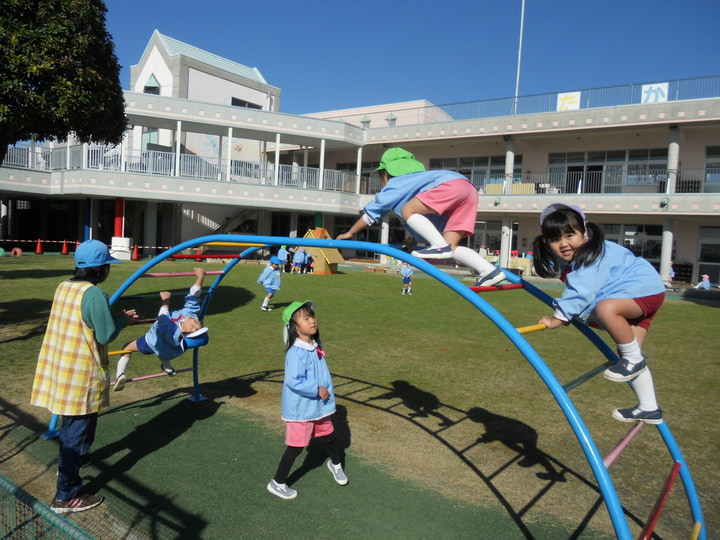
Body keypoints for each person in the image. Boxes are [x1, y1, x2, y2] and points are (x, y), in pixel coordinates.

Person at [532, 203, 666, 424]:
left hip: (641, 290)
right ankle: (649, 407)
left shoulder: (590, 256)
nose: (564, 244)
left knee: (606, 309)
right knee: (630, 352)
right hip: (644, 294)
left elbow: (581, 292)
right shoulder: (585, 253)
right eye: (555, 240)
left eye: (570, 235)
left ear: (585, 232)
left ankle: (633, 361)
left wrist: (558, 319)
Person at [31, 239, 138, 513]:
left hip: (62, 367)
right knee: (78, 431)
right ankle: (66, 495)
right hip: (81, 372)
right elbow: (105, 335)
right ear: (100, 269)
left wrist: (112, 316)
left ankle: (72, 465)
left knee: (72, 426)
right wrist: (123, 319)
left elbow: (84, 321)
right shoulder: (93, 294)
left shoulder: (64, 286)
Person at [336, 147, 505, 287]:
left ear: (385, 173)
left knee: (408, 210)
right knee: (450, 248)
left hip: (452, 186)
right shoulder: (420, 183)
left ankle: (439, 245)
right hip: (469, 190)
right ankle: (489, 271)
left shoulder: (397, 183)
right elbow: (427, 222)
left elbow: (373, 212)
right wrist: (417, 241)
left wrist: (350, 233)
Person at [267, 301, 348, 499]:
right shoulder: (296, 352)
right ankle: (278, 482)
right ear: (295, 327)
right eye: (306, 318)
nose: (312, 320)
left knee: (329, 435)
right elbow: (294, 381)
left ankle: (335, 464)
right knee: (296, 446)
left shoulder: (314, 344)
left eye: (312, 316)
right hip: (302, 408)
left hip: (320, 405)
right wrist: (316, 389)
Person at [114, 267, 209, 391]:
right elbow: (193, 297)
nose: (194, 321)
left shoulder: (171, 331)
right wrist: (201, 277)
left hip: (151, 343)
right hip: (170, 351)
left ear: (185, 332)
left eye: (193, 326)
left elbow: (163, 316)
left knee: (127, 347)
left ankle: (120, 375)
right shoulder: (190, 316)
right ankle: (166, 366)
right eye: (199, 324)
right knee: (164, 352)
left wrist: (166, 300)